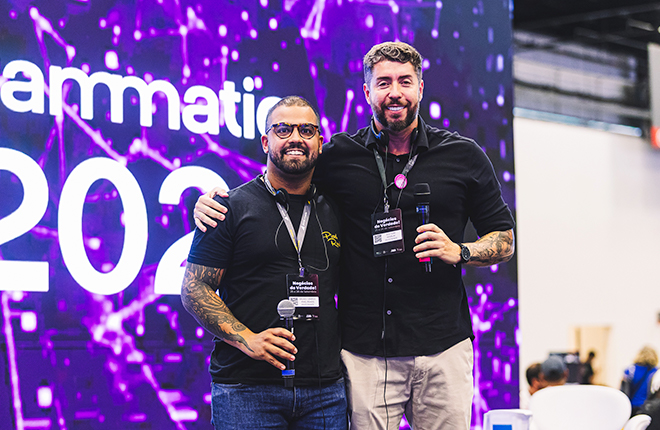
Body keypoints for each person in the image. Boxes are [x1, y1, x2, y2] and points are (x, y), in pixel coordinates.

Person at [194, 42, 515, 430]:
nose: (394, 92)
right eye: (383, 83)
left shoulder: (464, 155)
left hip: (443, 346)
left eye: (404, 81)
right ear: (367, 92)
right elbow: (285, 170)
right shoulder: (338, 155)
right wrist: (215, 200)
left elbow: (505, 239)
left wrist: (461, 250)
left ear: (420, 88)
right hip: (365, 353)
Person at [181, 96, 347, 429]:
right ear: (265, 142)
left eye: (306, 130)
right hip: (246, 389)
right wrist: (248, 339)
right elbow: (194, 288)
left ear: (319, 142)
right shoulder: (229, 207)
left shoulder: (337, 209)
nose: (296, 138)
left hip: (325, 390)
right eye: (283, 129)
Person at [621, 346, 659, 416]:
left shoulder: (630, 370)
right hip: (646, 407)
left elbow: (623, 389)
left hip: (630, 406)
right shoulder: (655, 372)